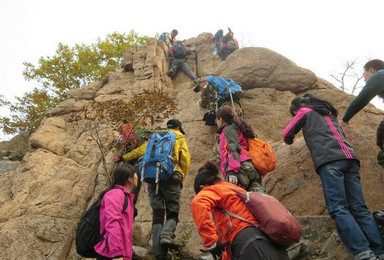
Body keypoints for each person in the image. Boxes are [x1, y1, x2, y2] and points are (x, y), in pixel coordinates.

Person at [283, 93, 384, 260]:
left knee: (339, 208)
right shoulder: (330, 113)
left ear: (297, 110)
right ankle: (380, 251)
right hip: (351, 159)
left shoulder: (304, 111)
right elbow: (342, 134)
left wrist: (291, 139)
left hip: (330, 162)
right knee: (360, 208)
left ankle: (363, 253)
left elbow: (287, 134)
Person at [191, 161, 289, 260]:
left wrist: (212, 242)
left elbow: (198, 203)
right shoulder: (232, 189)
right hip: (271, 244)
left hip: (250, 244)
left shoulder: (213, 190)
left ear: (203, 188)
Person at [146, 119, 190, 260]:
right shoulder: (178, 136)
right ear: (178, 127)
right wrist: (181, 177)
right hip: (170, 177)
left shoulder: (156, 136)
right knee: (173, 212)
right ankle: (166, 235)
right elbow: (185, 159)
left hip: (153, 178)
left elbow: (143, 152)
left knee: (157, 214)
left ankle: (158, 252)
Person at [215, 105, 265, 193]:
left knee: (237, 201)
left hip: (239, 169)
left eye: (217, 118)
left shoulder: (229, 129)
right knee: (259, 199)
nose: (216, 121)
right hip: (251, 168)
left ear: (221, 119)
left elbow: (233, 148)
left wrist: (233, 170)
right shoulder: (239, 127)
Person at [94, 163, 138, 260]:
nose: (137, 176)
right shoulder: (116, 194)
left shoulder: (126, 196)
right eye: (135, 174)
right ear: (130, 179)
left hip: (121, 253)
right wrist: (117, 254)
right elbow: (112, 223)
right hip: (111, 254)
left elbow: (124, 228)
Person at [342, 59, 384, 125]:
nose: (364, 79)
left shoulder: (380, 75)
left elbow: (362, 98)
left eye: (363, 73)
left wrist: (345, 119)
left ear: (371, 71)